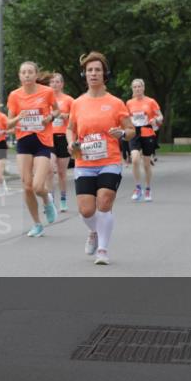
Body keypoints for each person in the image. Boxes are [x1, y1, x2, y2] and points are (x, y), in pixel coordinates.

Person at [66, 51, 134, 265]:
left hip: (109, 160)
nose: (93, 73)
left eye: (97, 70)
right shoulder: (78, 103)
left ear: (105, 74)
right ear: (84, 75)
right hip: (84, 162)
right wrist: (70, 142)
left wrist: (122, 134)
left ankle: (103, 250)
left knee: (104, 201)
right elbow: (70, 128)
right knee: (86, 210)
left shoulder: (116, 103)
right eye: (89, 70)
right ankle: (94, 231)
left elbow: (131, 130)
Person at [7, 61, 60, 236]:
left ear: (36, 75)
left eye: (30, 72)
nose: (27, 75)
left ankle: (46, 199)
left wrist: (50, 118)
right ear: (19, 76)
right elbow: (8, 123)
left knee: (38, 186)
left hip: (42, 141)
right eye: (23, 72)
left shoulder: (47, 92)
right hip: (24, 141)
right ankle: (37, 223)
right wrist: (18, 118)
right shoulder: (14, 95)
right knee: (27, 186)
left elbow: (57, 111)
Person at [126, 79, 163, 202]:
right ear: (132, 89)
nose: (137, 89)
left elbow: (160, 116)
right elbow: (126, 118)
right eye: (135, 87)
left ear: (143, 88)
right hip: (134, 133)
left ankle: (147, 189)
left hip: (147, 132)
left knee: (146, 164)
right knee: (135, 159)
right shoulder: (129, 103)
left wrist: (156, 120)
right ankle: (137, 188)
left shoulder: (151, 101)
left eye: (139, 86)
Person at [48, 73, 74, 212]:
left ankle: (63, 200)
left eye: (57, 81)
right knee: (49, 169)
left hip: (63, 137)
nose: (55, 84)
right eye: (52, 82)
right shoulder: (46, 99)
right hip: (49, 137)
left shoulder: (68, 100)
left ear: (62, 84)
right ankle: (50, 201)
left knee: (61, 172)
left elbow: (76, 116)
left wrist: (66, 116)